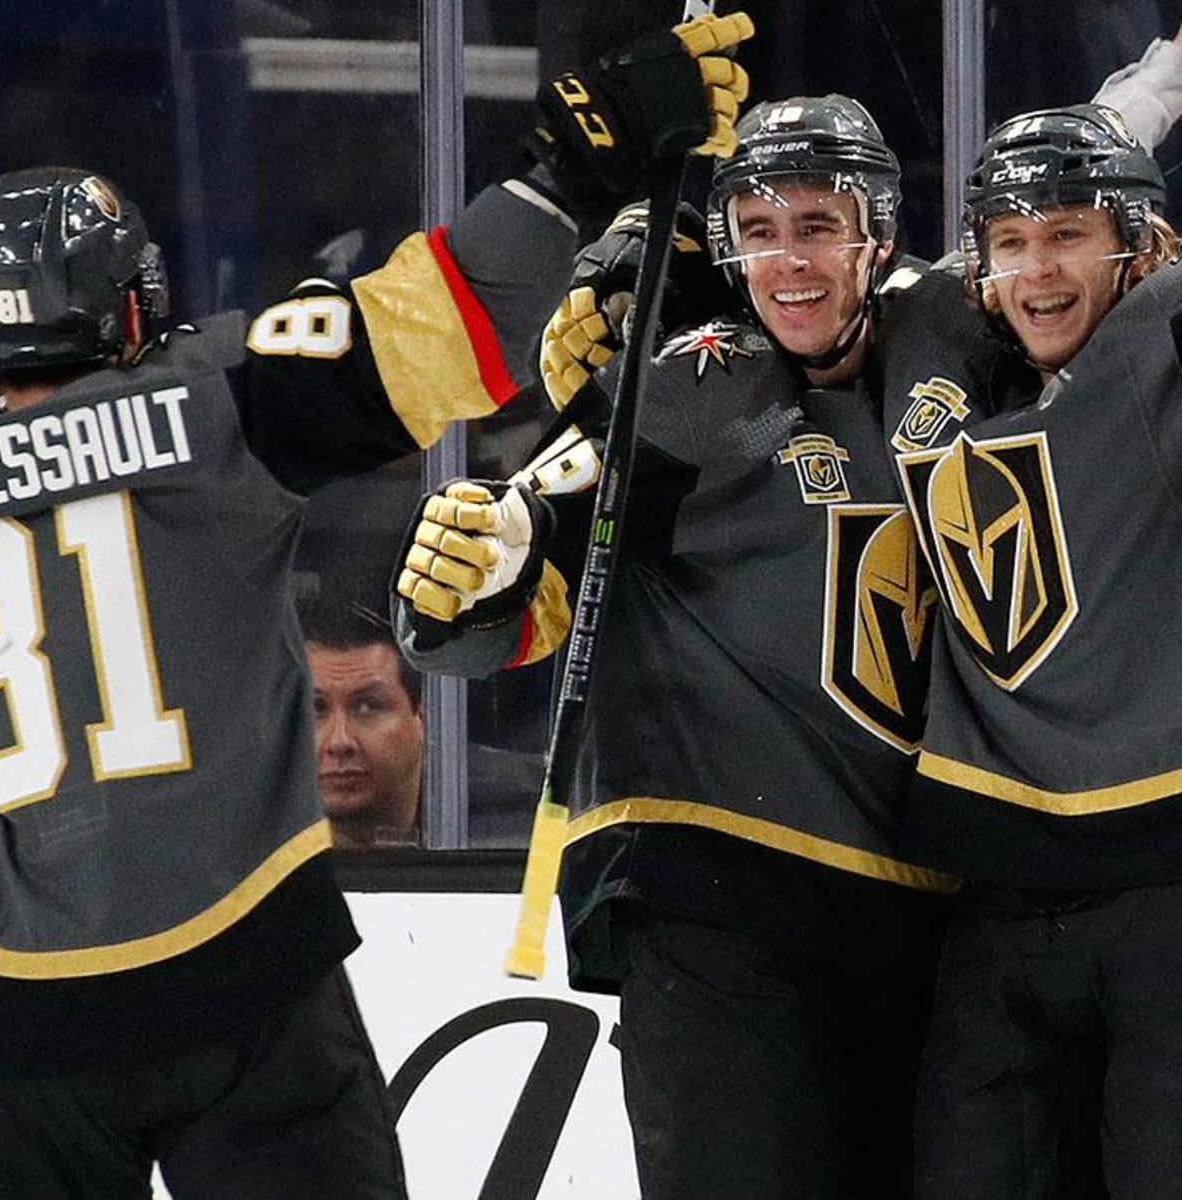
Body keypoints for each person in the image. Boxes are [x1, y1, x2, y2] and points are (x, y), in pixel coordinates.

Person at [0, 16, 754, 1198]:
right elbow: (452, 317)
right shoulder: (216, 407)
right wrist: (575, 165)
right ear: (130, 314)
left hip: (12, 1028)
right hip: (249, 979)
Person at [394, 95, 956, 1199]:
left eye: (815, 224)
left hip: (936, 904)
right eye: (756, 228)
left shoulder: (959, 346)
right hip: (720, 894)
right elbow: (526, 575)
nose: (787, 259)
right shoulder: (698, 385)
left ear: (879, 232)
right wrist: (480, 571)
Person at [878, 102, 1182, 1198]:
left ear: (1140, 246)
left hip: (1167, 888)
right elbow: (800, 271)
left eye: (1068, 235)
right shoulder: (936, 344)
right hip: (996, 901)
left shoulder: (1167, 346)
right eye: (1012, 240)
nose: (1038, 268)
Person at [299, 590, 424, 849]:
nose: (340, 742)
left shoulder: (499, 826)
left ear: (420, 718)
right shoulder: (241, 869)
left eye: (368, 706)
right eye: (315, 709)